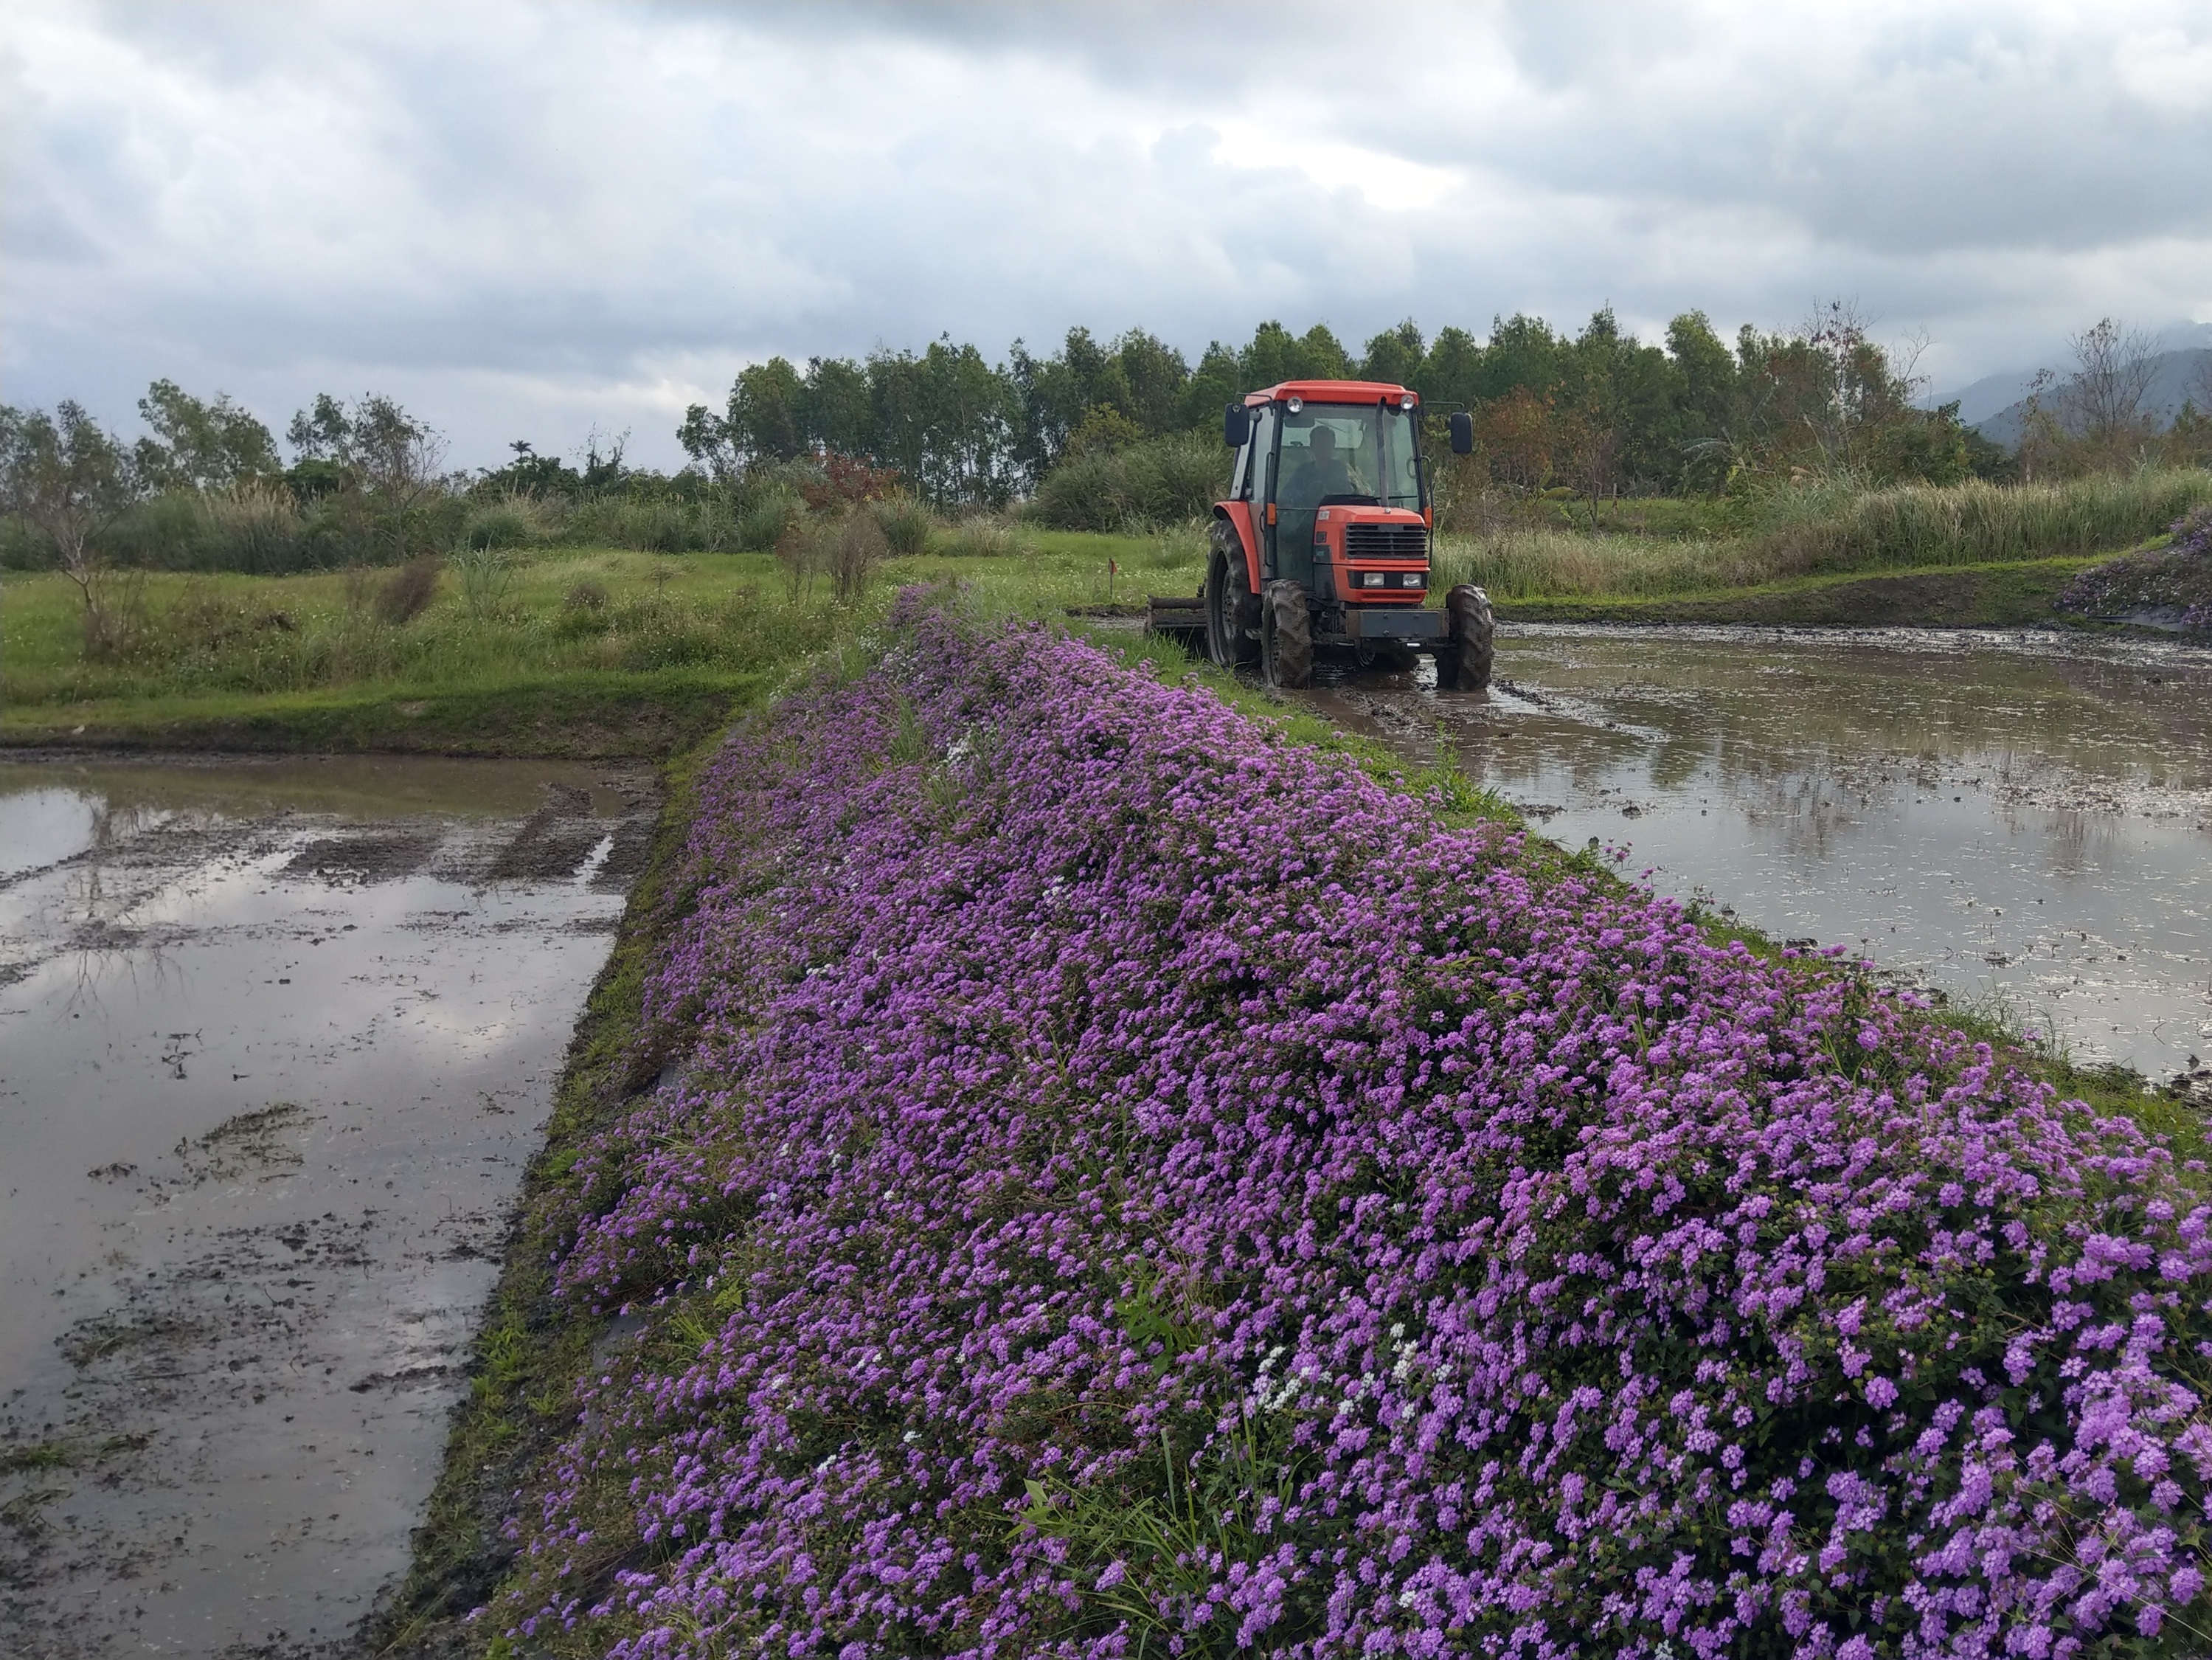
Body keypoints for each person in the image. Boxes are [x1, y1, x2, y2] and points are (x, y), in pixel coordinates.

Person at [1283, 424, 1367, 505]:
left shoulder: (1341, 470)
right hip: (1305, 516)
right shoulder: (1302, 471)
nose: (1324, 447)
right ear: (1312, 446)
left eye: (1327, 443)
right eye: (1320, 442)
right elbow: (1287, 496)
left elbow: (1348, 495)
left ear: (1333, 446)